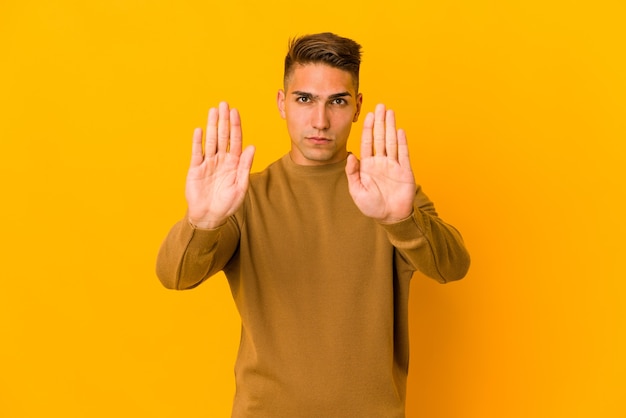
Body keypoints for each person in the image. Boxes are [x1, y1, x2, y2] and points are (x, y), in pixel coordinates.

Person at [156, 32, 470, 418]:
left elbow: (453, 267)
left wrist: (401, 220)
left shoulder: (388, 193)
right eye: (305, 99)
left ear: (357, 107)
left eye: (336, 102)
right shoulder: (244, 196)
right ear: (282, 103)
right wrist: (202, 221)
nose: (320, 121)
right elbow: (174, 275)